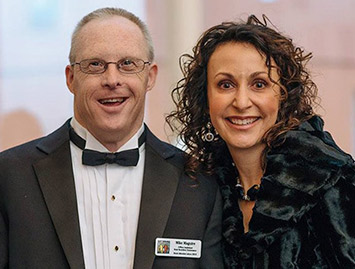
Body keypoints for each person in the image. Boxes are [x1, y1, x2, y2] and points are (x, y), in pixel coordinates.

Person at [0, 7, 224, 269]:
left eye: (127, 64)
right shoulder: (10, 177)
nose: (112, 79)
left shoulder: (198, 184)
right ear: (71, 79)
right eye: (95, 65)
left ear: (150, 76)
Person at [167, 14, 355, 268]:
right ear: (206, 99)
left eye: (259, 84)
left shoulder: (333, 180)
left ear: (283, 95)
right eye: (225, 85)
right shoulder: (207, 189)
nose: (242, 102)